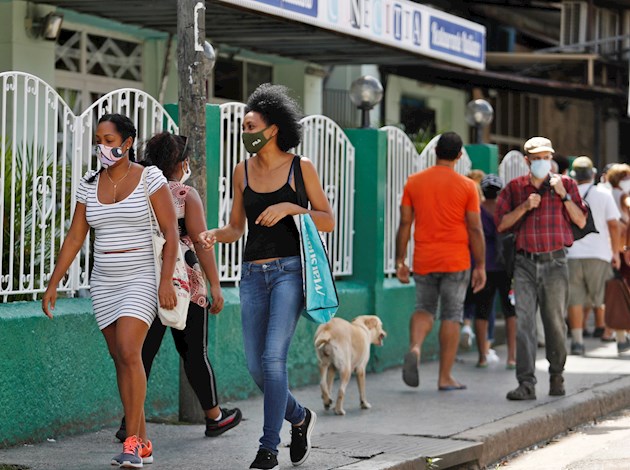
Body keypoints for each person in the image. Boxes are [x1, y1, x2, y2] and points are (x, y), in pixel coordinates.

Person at [199, 83, 335, 470]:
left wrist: (294, 207)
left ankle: (268, 447)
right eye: (242, 128)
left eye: (250, 126)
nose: (245, 133)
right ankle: (300, 416)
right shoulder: (242, 171)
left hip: (289, 272)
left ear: (273, 129)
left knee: (274, 359)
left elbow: (327, 220)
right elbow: (236, 227)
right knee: (258, 368)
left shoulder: (299, 167)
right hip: (252, 276)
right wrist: (212, 234)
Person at [42, 114, 179, 468]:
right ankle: (144, 439)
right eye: (99, 140)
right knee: (121, 359)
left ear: (128, 142)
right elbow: (76, 236)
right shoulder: (88, 184)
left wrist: (164, 281)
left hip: (141, 277)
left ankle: (131, 443)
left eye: (109, 139)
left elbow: (170, 231)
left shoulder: (150, 178)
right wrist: (54, 282)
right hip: (103, 281)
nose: (103, 147)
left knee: (129, 349)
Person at [114, 132, 242, 443]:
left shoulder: (135, 188)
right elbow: (201, 243)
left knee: (141, 354)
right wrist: (215, 285)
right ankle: (214, 417)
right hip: (185, 287)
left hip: (144, 282)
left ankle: (129, 424)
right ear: (182, 163)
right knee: (194, 352)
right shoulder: (185, 194)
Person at [496, 136, 587, 401]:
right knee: (524, 324)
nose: (542, 163)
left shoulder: (566, 185)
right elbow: (501, 224)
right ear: (527, 161)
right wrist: (525, 206)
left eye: (546, 158)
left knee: (555, 324)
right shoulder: (514, 188)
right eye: (536, 159)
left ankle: (557, 375)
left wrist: (564, 196)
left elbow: (581, 220)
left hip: (555, 263)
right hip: (524, 264)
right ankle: (526, 383)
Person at [395, 131, 486, 391]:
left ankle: (415, 347)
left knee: (424, 307)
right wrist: (480, 265)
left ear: (435, 153)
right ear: (459, 156)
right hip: (456, 260)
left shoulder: (414, 182)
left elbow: (404, 223)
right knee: (452, 314)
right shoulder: (468, 186)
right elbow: (476, 229)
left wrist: (400, 259)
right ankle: (445, 377)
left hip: (424, 257)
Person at [566, 157, 621, 355]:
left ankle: (578, 342)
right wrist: (615, 252)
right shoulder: (603, 194)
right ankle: (621, 338)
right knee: (606, 298)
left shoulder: (567, 195)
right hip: (599, 253)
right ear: (592, 174)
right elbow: (614, 225)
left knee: (576, 299)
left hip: (572, 254)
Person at [472, 174, 517, 369]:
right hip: (506, 267)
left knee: (481, 311)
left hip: (483, 266)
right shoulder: (506, 210)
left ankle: (482, 356)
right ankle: (512, 357)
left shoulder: (477, 211)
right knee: (510, 311)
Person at [605, 163, 630, 351]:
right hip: (624, 251)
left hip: (610, 250)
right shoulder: (624, 197)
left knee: (615, 293)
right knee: (625, 293)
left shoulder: (605, 194)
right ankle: (623, 335)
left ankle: (619, 336)